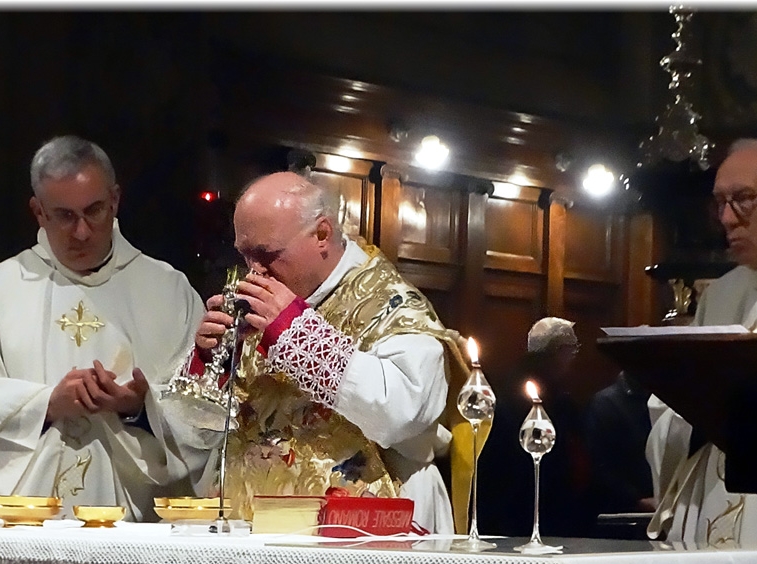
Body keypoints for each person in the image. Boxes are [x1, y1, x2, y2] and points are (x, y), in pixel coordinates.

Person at [0, 135, 207, 519]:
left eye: (94, 211)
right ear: (38, 211)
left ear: (115, 200)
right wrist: (45, 405)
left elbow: (206, 409)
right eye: (64, 215)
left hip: (134, 521)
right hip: (22, 520)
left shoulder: (169, 291)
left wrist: (139, 407)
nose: (81, 232)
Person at [186, 171, 473, 534]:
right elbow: (198, 437)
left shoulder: (391, 303)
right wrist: (211, 363)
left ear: (322, 234)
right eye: (245, 254)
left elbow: (405, 413)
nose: (254, 271)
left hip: (367, 528)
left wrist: (297, 337)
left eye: (267, 254)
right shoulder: (253, 302)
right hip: (255, 526)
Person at [646, 138, 757, 547]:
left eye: (743, 200)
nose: (726, 218)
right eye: (719, 203)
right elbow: (673, 411)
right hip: (710, 496)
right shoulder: (721, 294)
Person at [477, 317, 592, 539]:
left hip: (518, 515)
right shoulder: (539, 398)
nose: (574, 356)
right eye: (573, 348)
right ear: (559, 351)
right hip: (530, 516)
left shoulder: (510, 388)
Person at [584, 370, 655, 524]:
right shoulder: (604, 403)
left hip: (661, 504)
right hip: (623, 513)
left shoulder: (659, 399)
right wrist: (635, 499)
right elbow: (599, 465)